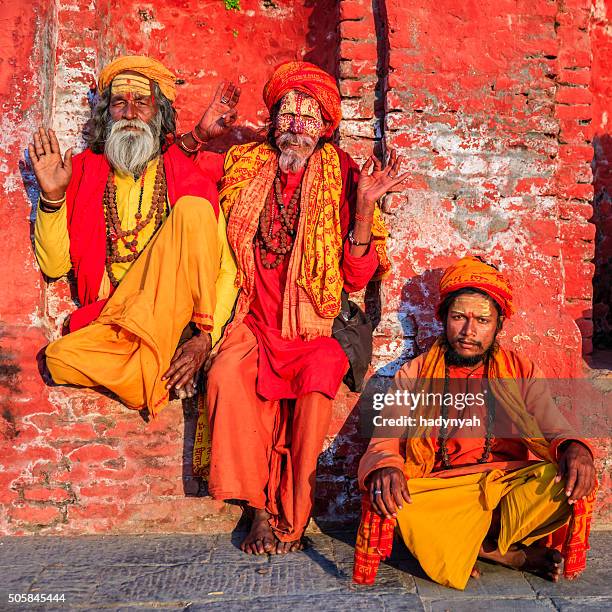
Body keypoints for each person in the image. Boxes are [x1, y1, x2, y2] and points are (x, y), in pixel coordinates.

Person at [203, 61, 409, 555]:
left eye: (309, 115)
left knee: (319, 381)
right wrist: (203, 136)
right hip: (251, 316)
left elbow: (357, 276)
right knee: (225, 378)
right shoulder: (245, 163)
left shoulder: (343, 173)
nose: (297, 123)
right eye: (288, 113)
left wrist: (362, 209)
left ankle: (291, 516)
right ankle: (256, 510)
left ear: (326, 127)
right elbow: (184, 179)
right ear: (273, 122)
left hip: (314, 327)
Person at [354, 255, 597, 589]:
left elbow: (553, 424)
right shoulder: (415, 373)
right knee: (401, 503)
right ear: (444, 318)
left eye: (482, 321)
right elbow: (383, 440)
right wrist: (385, 467)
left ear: (498, 325)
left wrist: (573, 447)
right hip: (443, 492)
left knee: (565, 479)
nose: (468, 332)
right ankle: (502, 552)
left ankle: (470, 544)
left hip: (506, 486)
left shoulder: (519, 370)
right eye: (458, 318)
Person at [33, 55, 239, 410]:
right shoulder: (81, 172)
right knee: (57, 358)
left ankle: (158, 355)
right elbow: (53, 268)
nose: (130, 113)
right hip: (112, 318)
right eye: (119, 102)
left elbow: (226, 269)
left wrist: (207, 337)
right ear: (105, 115)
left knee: (192, 209)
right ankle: (156, 368)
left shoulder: (186, 177)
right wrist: (52, 198)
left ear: (157, 114)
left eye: (141, 103)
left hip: (171, 315)